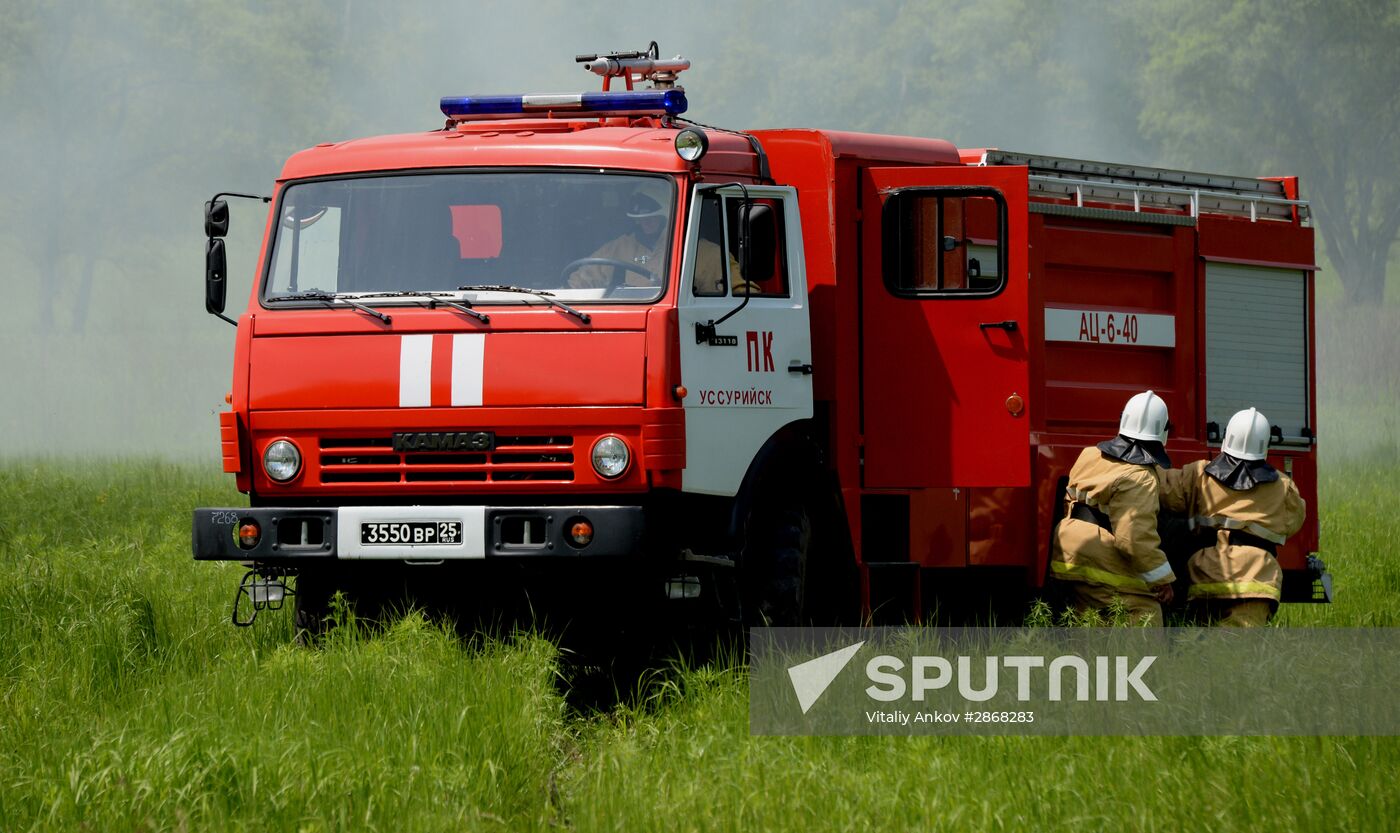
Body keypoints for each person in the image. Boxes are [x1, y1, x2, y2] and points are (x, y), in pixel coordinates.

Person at [1160, 408, 1305, 626]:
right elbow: (1293, 522)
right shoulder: (1284, 488)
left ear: (1227, 437)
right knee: (1240, 652)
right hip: (1256, 582)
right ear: (1265, 445)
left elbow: (1160, 488)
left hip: (1207, 576)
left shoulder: (1198, 474)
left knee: (1201, 647)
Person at [1049, 390, 1177, 625]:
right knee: (1143, 611)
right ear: (1163, 430)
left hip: (1069, 547)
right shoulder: (1140, 476)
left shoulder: (1090, 454)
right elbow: (1134, 539)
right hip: (1101, 555)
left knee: (1090, 617)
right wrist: (1162, 580)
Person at [569, 191, 741, 293]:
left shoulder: (702, 252)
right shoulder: (619, 247)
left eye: (652, 217)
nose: (645, 223)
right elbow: (580, 280)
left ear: (669, 214)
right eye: (640, 219)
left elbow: (740, 293)